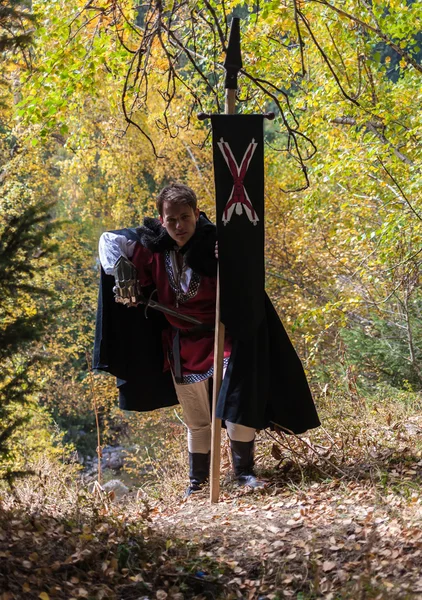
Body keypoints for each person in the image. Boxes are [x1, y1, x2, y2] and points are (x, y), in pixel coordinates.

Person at [94, 183, 320, 496]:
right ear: (161, 220)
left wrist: (231, 258)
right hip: (181, 344)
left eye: (184, 217)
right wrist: (121, 268)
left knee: (235, 403)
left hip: (222, 338)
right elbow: (109, 240)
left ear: (196, 214)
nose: (178, 226)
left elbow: (247, 267)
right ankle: (197, 484)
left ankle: (243, 473)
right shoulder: (153, 247)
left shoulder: (216, 241)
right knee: (198, 420)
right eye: (171, 220)